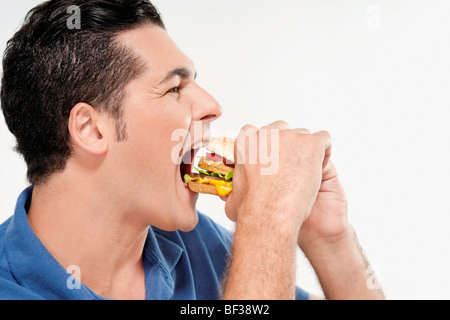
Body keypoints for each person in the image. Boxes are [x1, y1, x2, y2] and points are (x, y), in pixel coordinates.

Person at [0, 0, 384, 300]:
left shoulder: (196, 245)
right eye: (173, 88)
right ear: (91, 129)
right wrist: (270, 217)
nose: (213, 105)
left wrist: (328, 239)